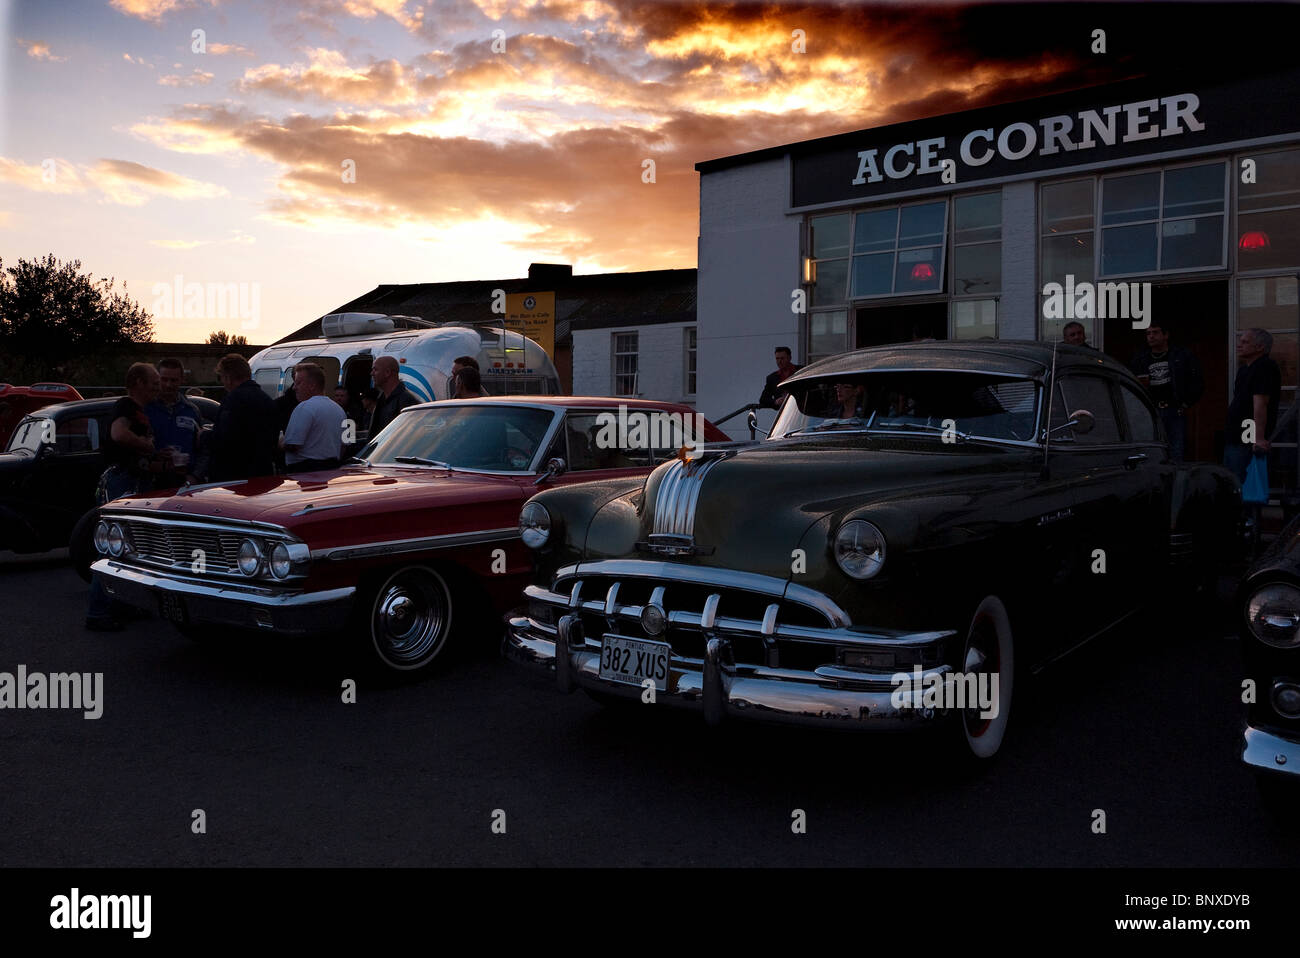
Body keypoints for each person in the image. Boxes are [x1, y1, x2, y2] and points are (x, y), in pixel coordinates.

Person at [86, 362, 162, 631]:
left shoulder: (139, 411)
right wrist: (148, 447)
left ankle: (124, 605)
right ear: (138, 382)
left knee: (130, 545)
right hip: (121, 482)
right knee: (115, 544)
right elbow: (118, 434)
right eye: (153, 380)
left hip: (130, 479)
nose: (158, 384)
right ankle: (98, 612)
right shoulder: (126, 406)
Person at [1128, 323, 1204, 462]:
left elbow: (1197, 381)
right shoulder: (1141, 358)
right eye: (1148, 333)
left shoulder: (1181, 355)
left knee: (1176, 451)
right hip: (1150, 411)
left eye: (1155, 332)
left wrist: (1186, 403)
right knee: (1151, 450)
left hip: (1174, 410)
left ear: (1166, 335)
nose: (1151, 336)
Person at [200, 353, 277, 482]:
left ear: (228, 377)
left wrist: (203, 436)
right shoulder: (267, 400)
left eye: (222, 378)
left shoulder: (233, 401)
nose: (223, 383)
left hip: (233, 477)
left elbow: (225, 440)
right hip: (262, 474)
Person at [1225, 328, 1281, 482]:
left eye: (1245, 342)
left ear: (1260, 347)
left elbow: (1261, 403)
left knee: (1244, 485)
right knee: (1233, 482)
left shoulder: (1265, 367)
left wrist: (1259, 438)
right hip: (1234, 435)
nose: (1239, 345)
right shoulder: (1244, 369)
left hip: (1248, 436)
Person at [145, 358, 202, 488]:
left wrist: (195, 476)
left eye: (173, 380)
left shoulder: (192, 411)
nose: (168, 385)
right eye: (164, 379)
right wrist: (155, 454)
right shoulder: (145, 408)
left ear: (182, 380)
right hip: (151, 484)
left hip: (185, 485)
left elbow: (202, 450)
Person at [282, 362, 345, 473]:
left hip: (304, 472)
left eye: (298, 383)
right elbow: (348, 443)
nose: (294, 388)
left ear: (312, 385)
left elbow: (293, 445)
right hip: (331, 471)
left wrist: (280, 442)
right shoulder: (341, 411)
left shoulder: (304, 407)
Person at [370, 355, 420, 438]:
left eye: (375, 370)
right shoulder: (381, 400)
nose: (371, 373)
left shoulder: (406, 401)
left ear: (387, 373)